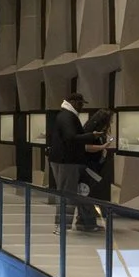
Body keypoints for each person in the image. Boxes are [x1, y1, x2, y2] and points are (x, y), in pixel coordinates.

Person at [45, 92, 89, 228]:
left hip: (60, 159)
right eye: (80, 104)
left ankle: (61, 223)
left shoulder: (63, 115)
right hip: (67, 160)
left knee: (63, 191)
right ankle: (63, 224)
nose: (81, 107)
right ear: (73, 103)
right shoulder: (69, 116)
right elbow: (70, 137)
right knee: (68, 193)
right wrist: (91, 136)